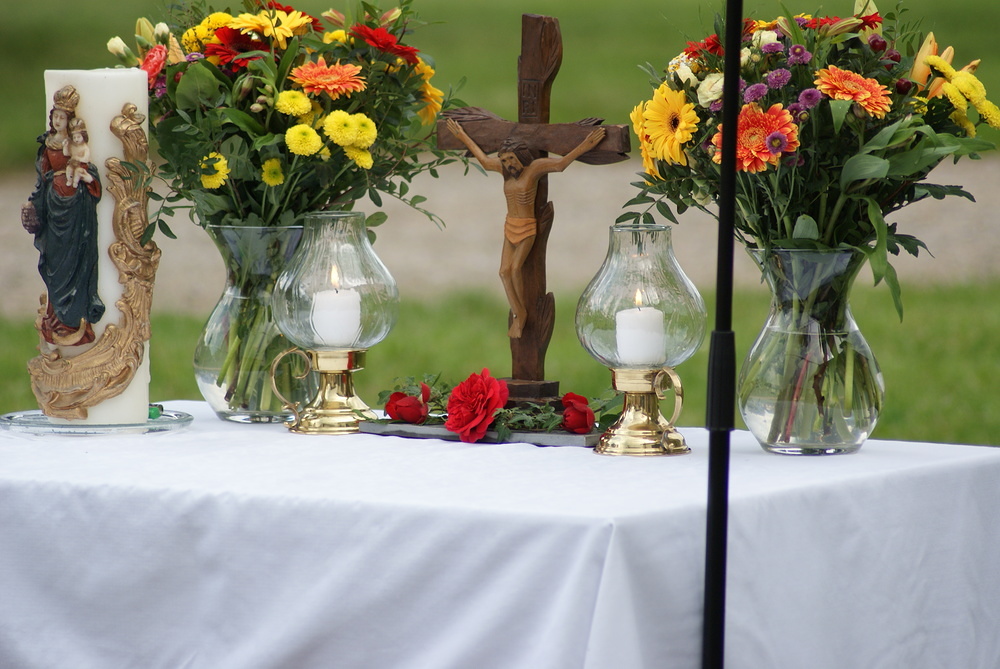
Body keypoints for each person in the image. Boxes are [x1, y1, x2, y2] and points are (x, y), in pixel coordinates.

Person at [446, 118, 605, 338]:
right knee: (503, 272)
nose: (508, 163)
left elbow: (560, 164)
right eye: (504, 159)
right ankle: (518, 312)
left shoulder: (533, 169)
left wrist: (586, 144)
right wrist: (462, 135)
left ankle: (522, 316)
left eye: (511, 158)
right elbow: (483, 160)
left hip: (527, 227)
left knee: (515, 269)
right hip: (510, 226)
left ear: (521, 155)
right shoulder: (505, 172)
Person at [22, 85, 105, 347]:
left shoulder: (76, 146)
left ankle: (75, 320)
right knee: (55, 262)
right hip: (53, 206)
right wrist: (34, 205)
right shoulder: (47, 144)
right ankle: (56, 318)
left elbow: (89, 173)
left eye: (63, 117)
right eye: (55, 116)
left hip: (75, 211)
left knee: (75, 259)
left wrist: (87, 179)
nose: (58, 121)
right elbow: (42, 179)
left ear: (70, 121)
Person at [63, 118, 94, 190]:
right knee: (68, 169)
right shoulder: (72, 146)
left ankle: (75, 182)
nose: (76, 139)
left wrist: (78, 158)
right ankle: (69, 180)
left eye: (78, 137)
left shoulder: (85, 147)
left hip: (81, 165)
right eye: (74, 137)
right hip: (72, 164)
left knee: (78, 171)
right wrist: (65, 146)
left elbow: (86, 159)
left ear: (83, 136)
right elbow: (66, 154)